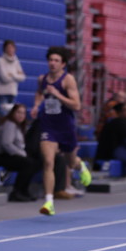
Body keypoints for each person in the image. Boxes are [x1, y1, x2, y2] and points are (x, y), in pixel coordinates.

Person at [31, 46, 92, 216]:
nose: (52, 63)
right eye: (51, 60)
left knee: (70, 162)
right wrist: (36, 106)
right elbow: (39, 93)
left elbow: (77, 105)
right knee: (48, 162)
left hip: (65, 127)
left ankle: (80, 166)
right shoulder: (42, 79)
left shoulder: (68, 80)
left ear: (63, 64)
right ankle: (49, 202)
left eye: (56, 60)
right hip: (48, 125)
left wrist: (57, 94)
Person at [0, 102, 39, 202]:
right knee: (27, 163)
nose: (21, 115)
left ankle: (24, 191)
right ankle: (16, 192)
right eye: (18, 112)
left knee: (33, 163)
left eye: (23, 113)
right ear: (13, 113)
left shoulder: (18, 127)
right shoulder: (9, 124)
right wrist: (22, 154)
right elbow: (6, 144)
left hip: (6, 154)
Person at [0, 40, 26, 111]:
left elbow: (23, 77)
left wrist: (12, 74)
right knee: (4, 114)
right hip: (2, 94)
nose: (10, 49)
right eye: (8, 47)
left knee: (11, 115)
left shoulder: (16, 61)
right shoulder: (0, 61)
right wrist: (17, 75)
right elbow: (4, 78)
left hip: (13, 93)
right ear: (4, 49)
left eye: (12, 47)